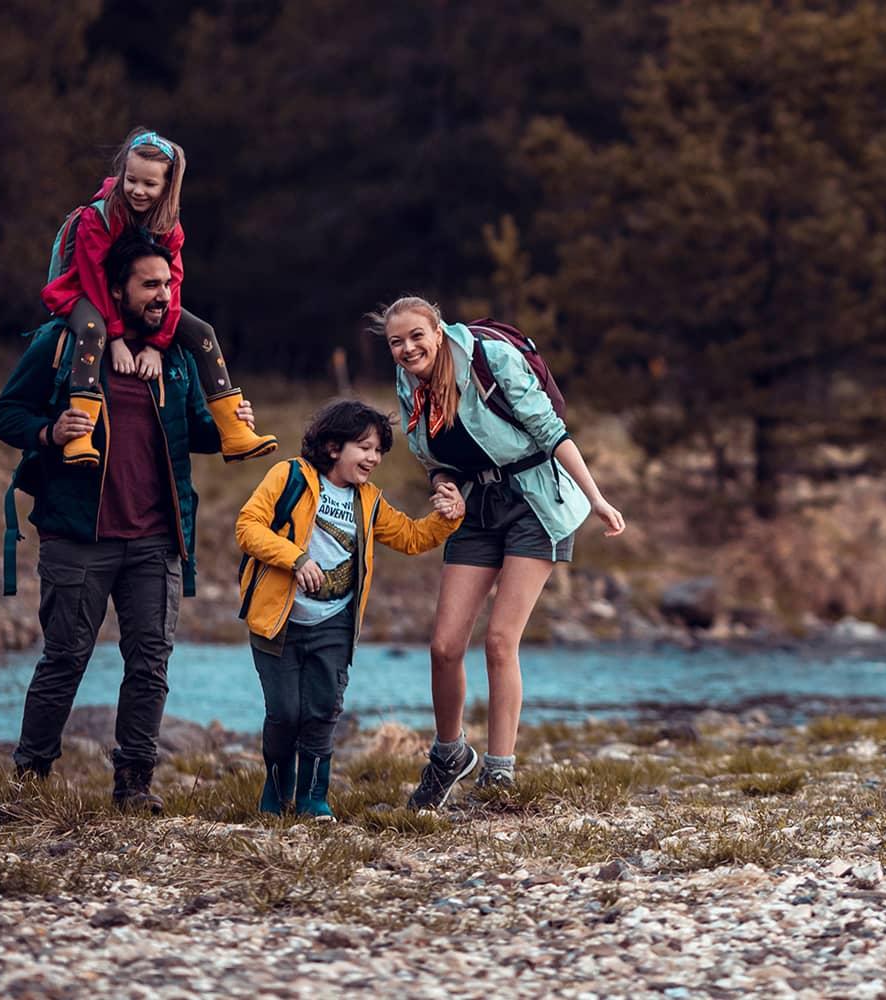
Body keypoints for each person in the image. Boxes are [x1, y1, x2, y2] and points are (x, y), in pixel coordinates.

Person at [0, 228, 256, 812]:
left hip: (157, 539)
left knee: (150, 665)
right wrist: (48, 432)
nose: (163, 294)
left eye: (168, 283)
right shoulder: (64, 343)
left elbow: (198, 434)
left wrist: (232, 423)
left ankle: (134, 787)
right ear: (116, 288)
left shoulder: (179, 354)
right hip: (77, 536)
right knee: (64, 661)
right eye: (149, 285)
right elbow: (4, 413)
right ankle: (27, 784)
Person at [374, 296, 626, 809]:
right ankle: (449, 755)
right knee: (444, 647)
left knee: (498, 641)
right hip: (476, 508)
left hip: (536, 501)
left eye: (416, 336)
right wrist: (444, 487)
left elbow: (551, 432)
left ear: (438, 331)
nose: (407, 348)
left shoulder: (491, 360)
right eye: (396, 342)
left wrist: (596, 498)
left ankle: (499, 772)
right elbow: (432, 457)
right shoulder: (408, 383)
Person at [235, 401, 464, 819]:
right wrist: (295, 558)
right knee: (285, 714)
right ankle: (277, 786)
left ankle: (313, 798)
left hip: (334, 626)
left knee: (322, 713)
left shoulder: (369, 501)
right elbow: (247, 526)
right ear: (333, 446)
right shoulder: (288, 477)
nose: (374, 458)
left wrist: (447, 518)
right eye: (365, 447)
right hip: (277, 622)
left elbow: (412, 537)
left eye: (378, 451)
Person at [42, 126, 276, 467]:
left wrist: (157, 344)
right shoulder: (100, 216)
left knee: (203, 333)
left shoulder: (169, 225)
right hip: (85, 293)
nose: (138, 190)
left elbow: (173, 283)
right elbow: (94, 278)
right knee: (92, 331)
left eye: (149, 184)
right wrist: (117, 338)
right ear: (122, 173)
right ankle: (80, 436)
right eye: (131, 180)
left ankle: (233, 430)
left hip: (138, 298)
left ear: (167, 186)